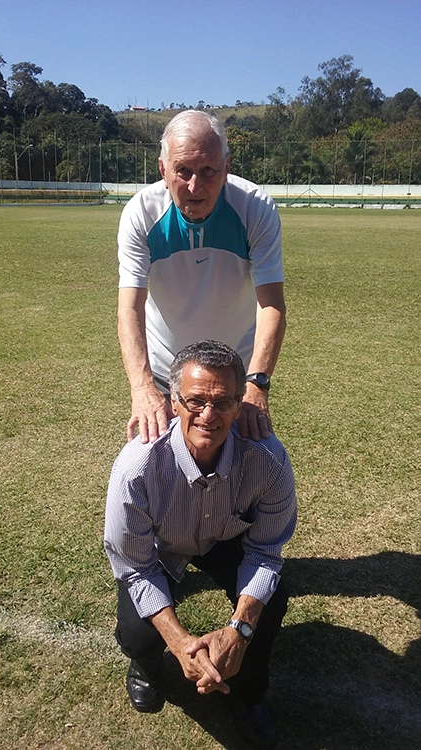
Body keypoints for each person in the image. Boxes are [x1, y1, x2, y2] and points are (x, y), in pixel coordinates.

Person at [104, 340, 297, 749]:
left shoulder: (270, 460)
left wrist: (239, 630)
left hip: (227, 537)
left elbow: (265, 551)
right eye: (194, 401)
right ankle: (147, 665)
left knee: (272, 598)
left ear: (240, 403)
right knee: (139, 634)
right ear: (173, 402)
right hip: (163, 546)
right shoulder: (136, 467)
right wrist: (179, 642)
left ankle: (247, 696)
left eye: (223, 402)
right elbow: (136, 566)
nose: (208, 416)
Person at [117, 110, 286, 445]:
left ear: (226, 167)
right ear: (163, 170)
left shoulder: (255, 209)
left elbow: (271, 305)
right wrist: (142, 387)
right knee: (154, 473)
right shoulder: (142, 213)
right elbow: (129, 307)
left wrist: (256, 385)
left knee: (249, 469)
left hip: (234, 378)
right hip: (168, 375)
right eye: (183, 171)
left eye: (208, 170)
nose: (195, 186)